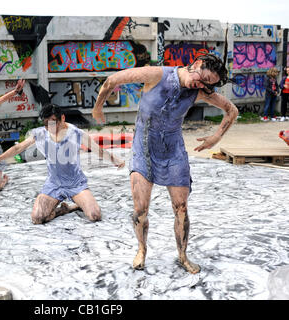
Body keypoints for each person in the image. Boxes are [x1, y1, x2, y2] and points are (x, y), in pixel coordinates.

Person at [92, 53, 238, 274]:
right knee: (141, 208)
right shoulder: (156, 74)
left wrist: (216, 137)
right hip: (144, 147)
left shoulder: (198, 90)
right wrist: (98, 107)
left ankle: (183, 256)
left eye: (208, 84)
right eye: (203, 78)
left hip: (173, 151)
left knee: (181, 208)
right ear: (196, 64)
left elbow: (231, 110)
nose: (202, 85)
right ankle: (141, 249)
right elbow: (112, 80)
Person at [0, 103, 125, 224]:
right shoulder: (41, 133)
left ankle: (75, 204)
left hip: (75, 183)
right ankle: (63, 210)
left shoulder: (76, 133)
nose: (49, 127)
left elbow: (98, 150)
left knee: (95, 215)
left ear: (62, 118)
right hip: (54, 183)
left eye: (53, 123)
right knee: (37, 218)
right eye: (46, 124)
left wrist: (115, 160)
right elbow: (18, 148)